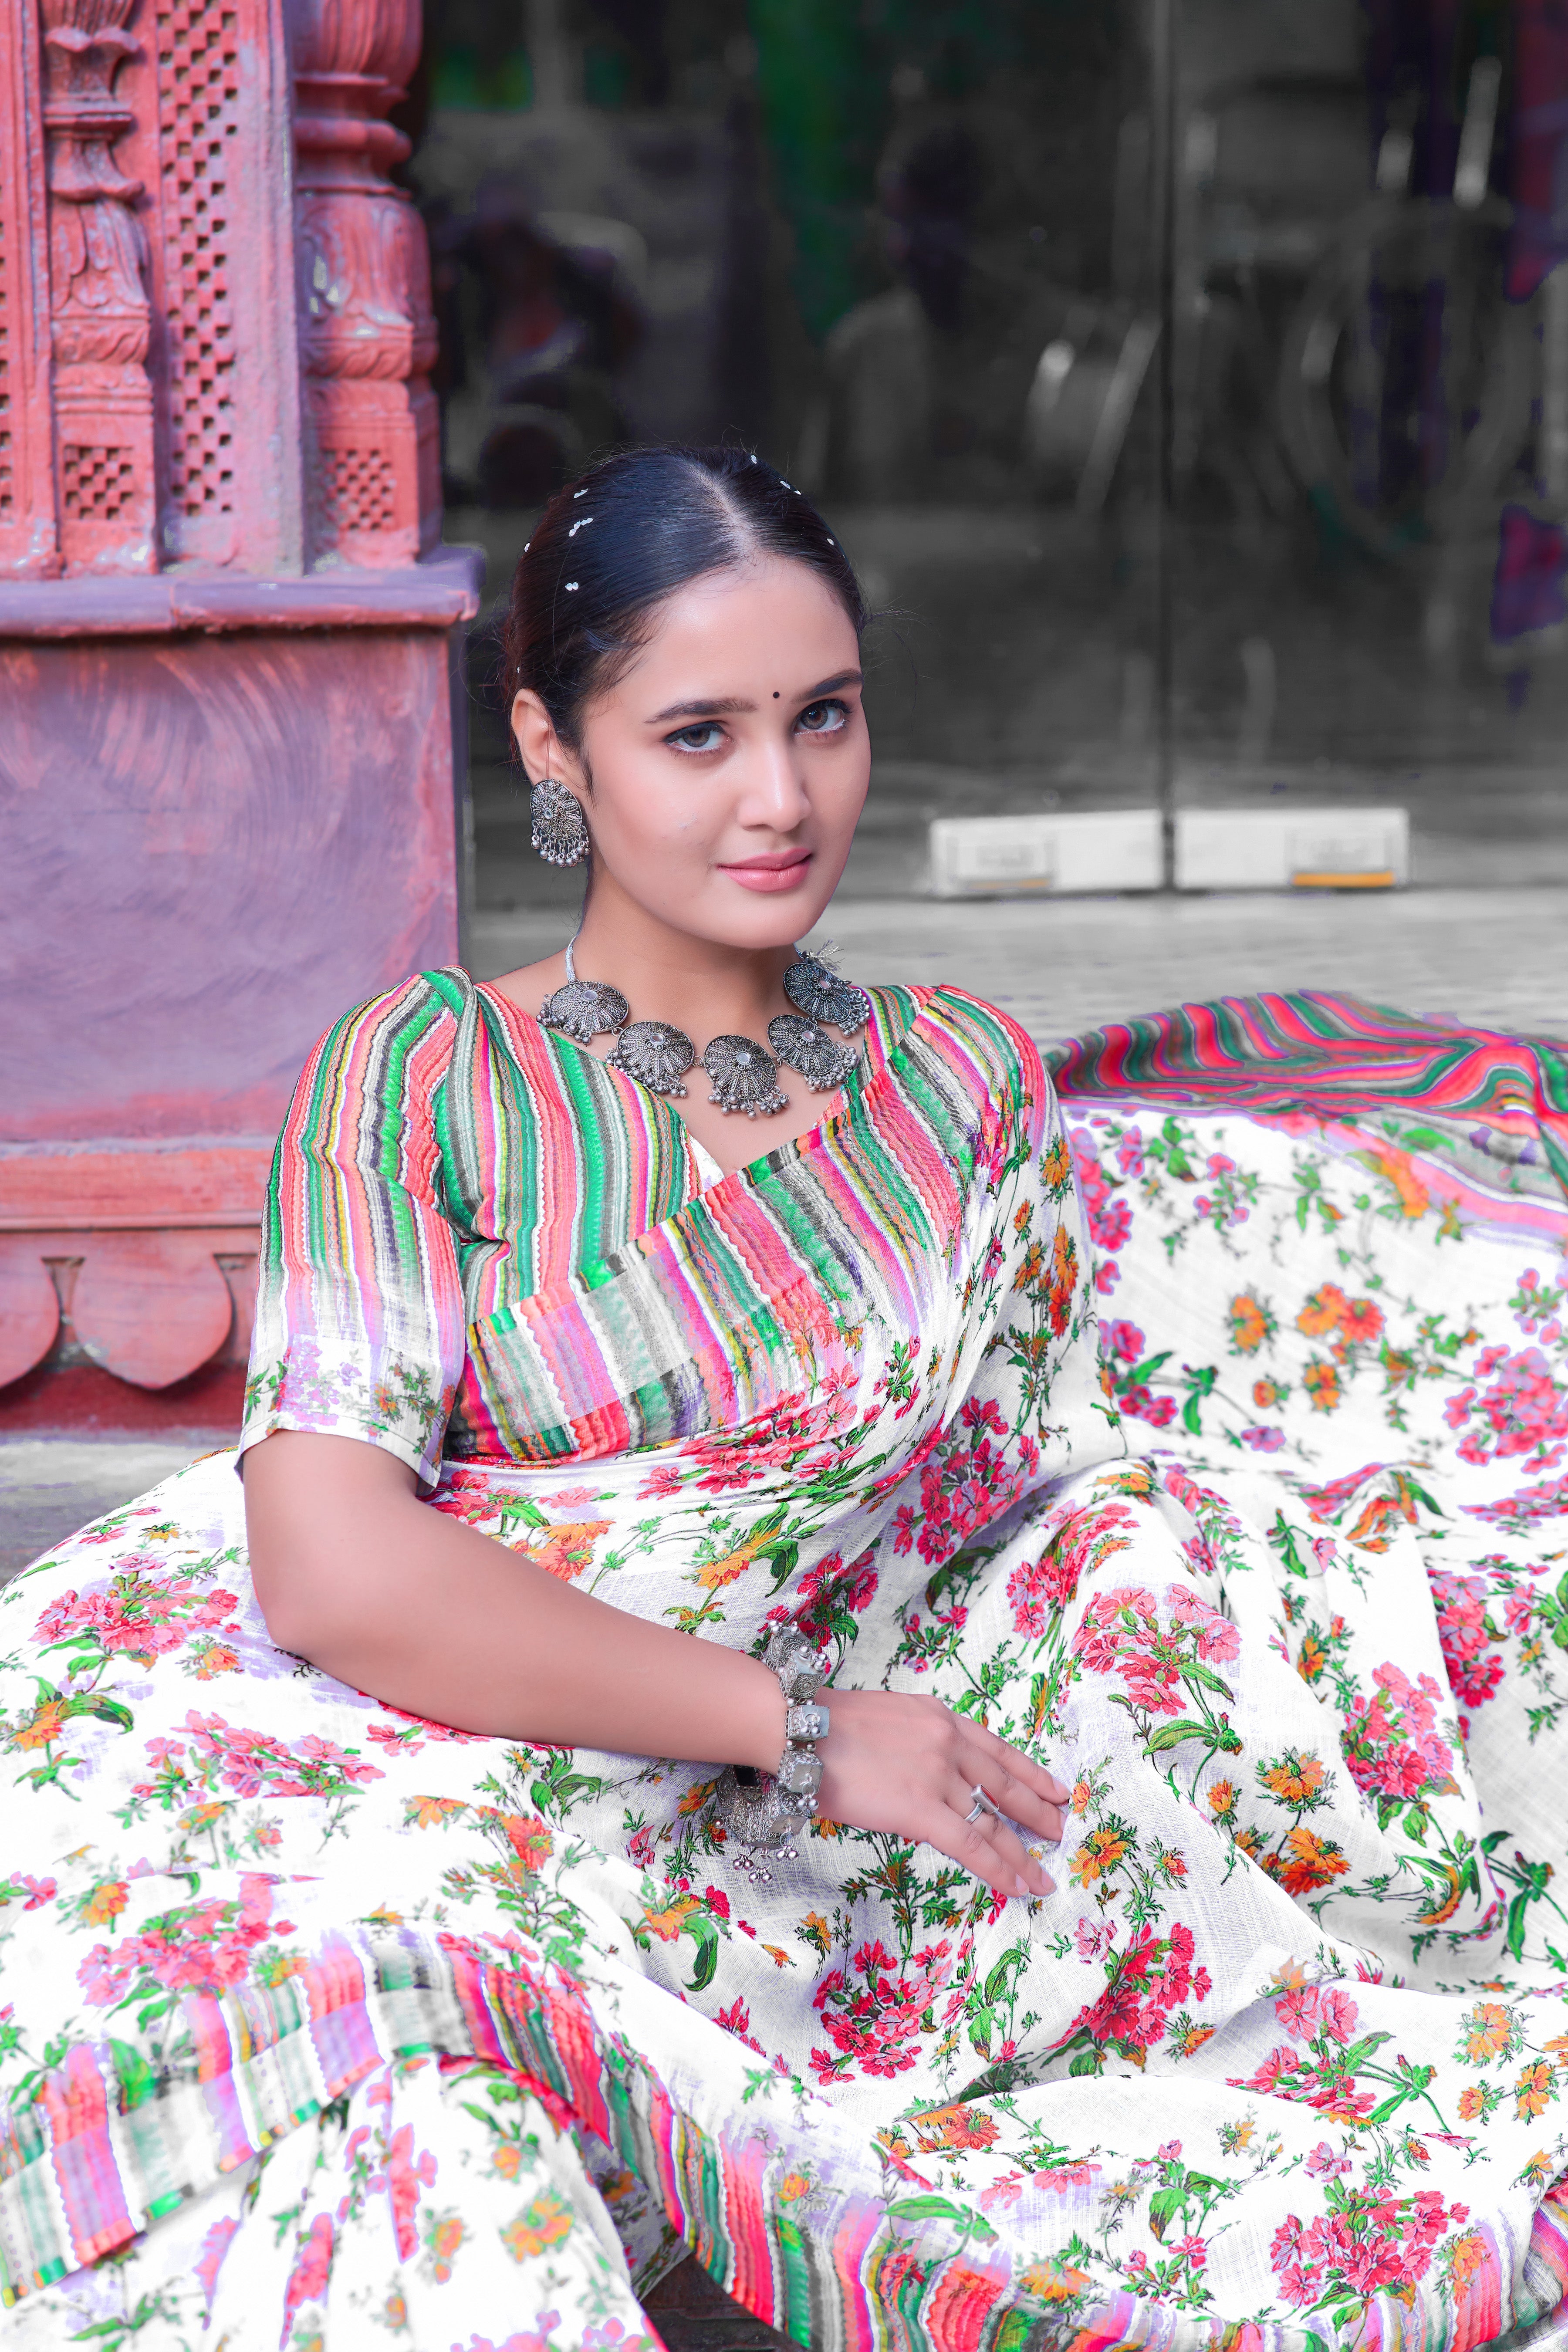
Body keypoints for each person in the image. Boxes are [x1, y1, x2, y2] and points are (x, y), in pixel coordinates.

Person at [2, 446, 1567, 2352]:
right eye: (699, 735)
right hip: (487, 1765)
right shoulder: (426, 1076)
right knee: (376, 2089)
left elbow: (1014, 1495)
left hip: (855, 1833)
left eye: (824, 715)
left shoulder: (956, 1083)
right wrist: (802, 1729)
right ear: (553, 749)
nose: (782, 796)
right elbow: (332, 1565)